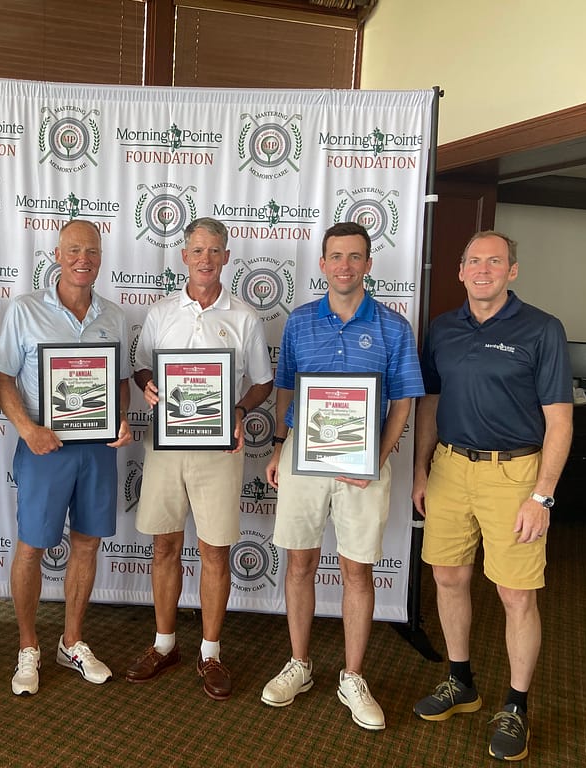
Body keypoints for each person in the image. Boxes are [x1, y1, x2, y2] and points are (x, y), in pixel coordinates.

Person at [411, 231, 572, 761]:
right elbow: (431, 404)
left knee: (516, 595)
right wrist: (420, 471)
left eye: (495, 261)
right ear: (460, 271)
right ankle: (462, 683)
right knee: (448, 576)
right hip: (450, 468)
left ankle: (517, 706)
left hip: (516, 475)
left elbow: (560, 421)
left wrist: (542, 496)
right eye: (474, 261)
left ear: (513, 271)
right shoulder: (441, 329)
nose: (483, 269)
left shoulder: (543, 329)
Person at [260, 222, 424, 730]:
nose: (345, 266)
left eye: (355, 257)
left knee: (357, 570)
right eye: (336, 256)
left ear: (369, 265)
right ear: (323, 264)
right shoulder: (300, 321)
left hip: (363, 467)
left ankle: (352, 676)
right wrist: (281, 446)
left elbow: (404, 400)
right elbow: (285, 387)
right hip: (301, 462)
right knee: (300, 563)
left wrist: (379, 454)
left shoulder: (395, 327)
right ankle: (300, 664)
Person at [125, 217, 273, 700]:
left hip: (218, 449)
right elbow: (141, 364)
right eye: (197, 250)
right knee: (164, 547)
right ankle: (164, 645)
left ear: (226, 257)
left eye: (214, 251)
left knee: (214, 552)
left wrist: (238, 409)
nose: (205, 259)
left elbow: (262, 380)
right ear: (184, 256)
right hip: (166, 447)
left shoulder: (245, 316)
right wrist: (145, 382)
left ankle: (210, 652)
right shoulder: (161, 311)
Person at [0, 219, 132, 696]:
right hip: (43, 447)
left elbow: (119, 383)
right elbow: (2, 378)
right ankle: (28, 646)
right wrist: (27, 429)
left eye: (91, 251)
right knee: (31, 545)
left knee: (88, 544)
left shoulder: (114, 316)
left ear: (100, 257)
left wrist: (121, 418)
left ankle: (71, 641)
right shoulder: (23, 310)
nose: (83, 259)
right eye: (74, 250)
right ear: (56, 253)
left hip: (96, 449)